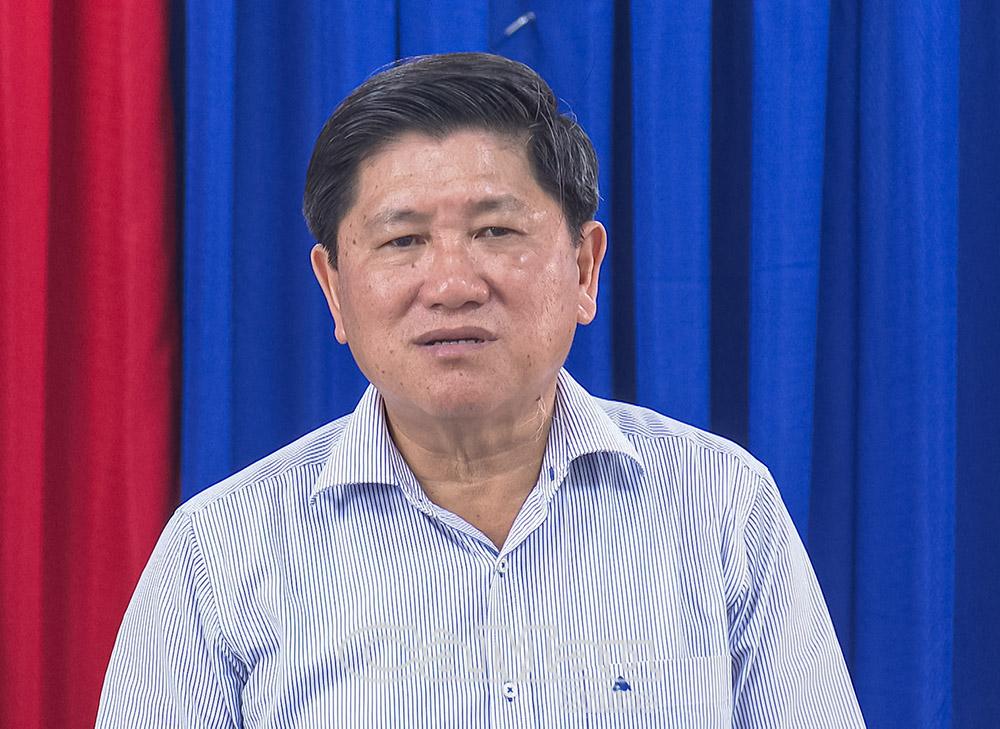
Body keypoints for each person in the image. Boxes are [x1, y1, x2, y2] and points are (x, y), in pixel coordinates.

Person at [97, 52, 865, 727]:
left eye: (496, 231)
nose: (453, 284)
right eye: (403, 240)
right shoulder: (219, 554)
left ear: (584, 267)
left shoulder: (721, 506)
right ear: (333, 289)